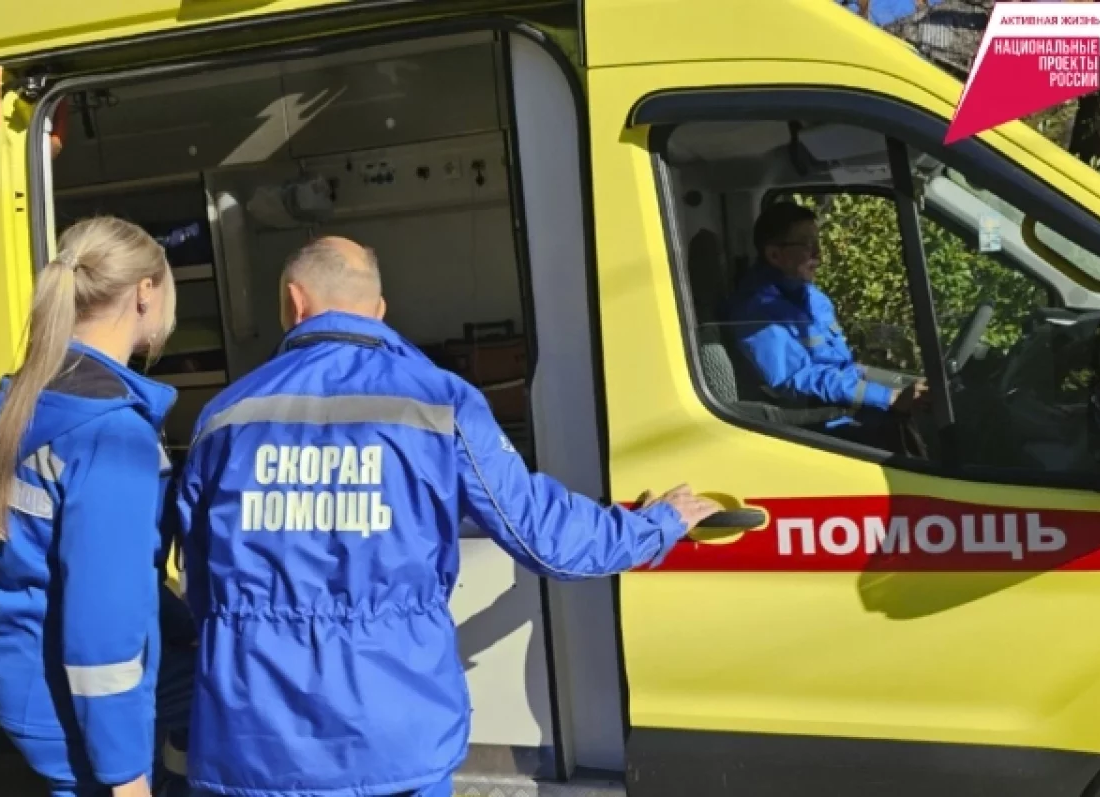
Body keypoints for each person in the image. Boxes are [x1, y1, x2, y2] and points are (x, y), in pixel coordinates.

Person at [170, 236, 722, 797]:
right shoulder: (439, 402)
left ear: (294, 301)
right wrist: (656, 524)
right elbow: (543, 537)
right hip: (396, 740)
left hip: (253, 742)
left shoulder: (224, 416)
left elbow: (198, 582)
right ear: (379, 310)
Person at [0, 216, 178, 797]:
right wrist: (126, 775)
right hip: (70, 699)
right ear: (145, 293)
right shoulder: (111, 432)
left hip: (20, 669)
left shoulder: (29, 397)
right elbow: (102, 627)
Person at [726, 201, 929, 450]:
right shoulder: (757, 312)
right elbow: (797, 379)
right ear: (775, 255)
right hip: (821, 428)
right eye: (807, 244)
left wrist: (890, 386)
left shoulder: (813, 297)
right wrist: (888, 397)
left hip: (846, 410)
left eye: (817, 242)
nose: (819, 253)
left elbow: (839, 364)